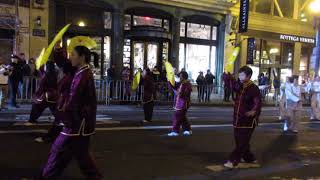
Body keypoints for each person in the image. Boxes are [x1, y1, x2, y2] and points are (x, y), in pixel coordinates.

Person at [41, 46, 102, 179]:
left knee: (59, 150)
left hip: (77, 123)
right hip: (79, 123)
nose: (71, 57)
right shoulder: (80, 71)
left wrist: (66, 116)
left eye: (73, 55)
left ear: (82, 57)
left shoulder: (84, 74)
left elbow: (75, 99)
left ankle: (47, 176)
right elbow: (64, 64)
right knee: (80, 154)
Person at [224, 66, 262, 169]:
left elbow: (257, 102)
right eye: (239, 75)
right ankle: (249, 157)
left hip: (248, 121)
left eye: (242, 75)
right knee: (239, 140)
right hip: (238, 118)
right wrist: (228, 77)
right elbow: (232, 86)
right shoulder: (240, 85)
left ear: (249, 76)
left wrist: (254, 111)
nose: (240, 77)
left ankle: (233, 160)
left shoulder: (253, 88)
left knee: (242, 142)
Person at [167, 71, 192, 137]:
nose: (179, 77)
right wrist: (169, 80)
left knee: (177, 116)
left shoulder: (187, 84)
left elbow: (186, 93)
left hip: (184, 103)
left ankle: (175, 131)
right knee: (182, 117)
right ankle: (187, 129)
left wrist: (179, 93)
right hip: (179, 103)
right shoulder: (181, 83)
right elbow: (174, 85)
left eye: (180, 76)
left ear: (183, 77)